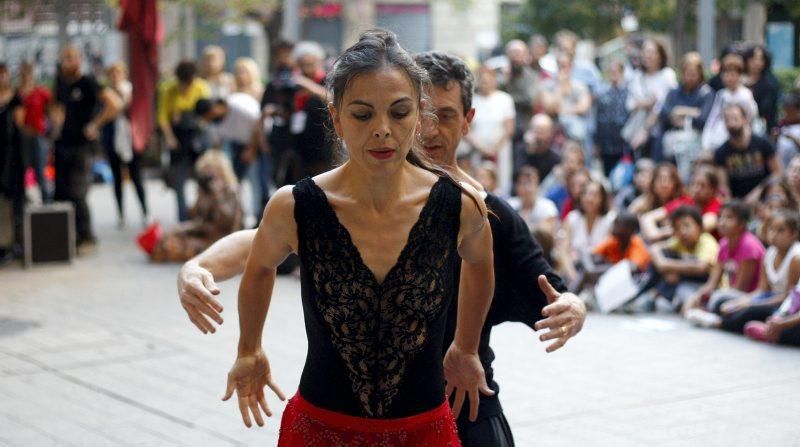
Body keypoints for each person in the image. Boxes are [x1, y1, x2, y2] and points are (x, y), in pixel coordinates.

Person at [179, 46, 587, 445]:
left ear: (455, 120)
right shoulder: (306, 204)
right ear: (337, 119)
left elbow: (535, 279)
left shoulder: (472, 208)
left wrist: (471, 345)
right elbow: (261, 247)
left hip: (451, 408)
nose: (384, 128)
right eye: (363, 113)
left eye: (402, 111)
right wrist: (201, 272)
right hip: (325, 424)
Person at [51, 46, 122, 250]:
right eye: (64, 58)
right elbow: (58, 109)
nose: (67, 62)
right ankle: (68, 235)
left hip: (83, 146)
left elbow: (114, 103)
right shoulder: (61, 83)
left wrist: (95, 125)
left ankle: (87, 235)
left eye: (71, 58)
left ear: (79, 60)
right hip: (63, 143)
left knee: (77, 191)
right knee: (62, 192)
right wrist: (55, 128)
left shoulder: (89, 82)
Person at [709, 210, 800, 334]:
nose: (774, 235)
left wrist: (750, 305)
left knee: (750, 311)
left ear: (794, 234)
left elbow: (788, 297)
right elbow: (761, 289)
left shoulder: (795, 257)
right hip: (769, 297)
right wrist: (742, 302)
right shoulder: (769, 254)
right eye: (771, 230)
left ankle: (721, 323)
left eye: (781, 231)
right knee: (723, 303)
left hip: (784, 304)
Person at [148, 150, 242, 262]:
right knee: (166, 240)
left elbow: (227, 221)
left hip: (221, 239)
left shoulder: (231, 191)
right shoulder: (205, 191)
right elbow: (197, 218)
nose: (209, 178)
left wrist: (218, 196)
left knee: (175, 247)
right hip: (203, 234)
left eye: (213, 174)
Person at [683, 200, 766, 324]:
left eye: (729, 218)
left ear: (742, 223)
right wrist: (696, 297)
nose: (722, 222)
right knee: (695, 295)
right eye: (720, 217)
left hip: (750, 297)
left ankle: (713, 316)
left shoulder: (749, 245)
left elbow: (741, 288)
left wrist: (714, 298)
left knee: (719, 300)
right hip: (731, 294)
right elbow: (712, 283)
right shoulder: (723, 244)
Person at [158, 60, 210, 221]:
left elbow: (207, 113)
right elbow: (162, 117)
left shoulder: (201, 87)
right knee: (179, 182)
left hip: (196, 139)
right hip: (178, 140)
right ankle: (183, 217)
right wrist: (170, 138)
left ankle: (202, 214)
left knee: (203, 179)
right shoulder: (169, 90)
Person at [101, 62, 149, 228]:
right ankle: (121, 215)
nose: (115, 77)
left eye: (118, 73)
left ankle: (145, 212)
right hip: (113, 139)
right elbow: (105, 114)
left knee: (136, 177)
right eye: (112, 74)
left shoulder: (130, 90)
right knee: (117, 179)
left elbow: (132, 110)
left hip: (131, 138)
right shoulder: (106, 93)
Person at [645, 205, 720, 310]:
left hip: (708, 286)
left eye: (687, 226)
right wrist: (664, 266)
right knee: (665, 256)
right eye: (678, 228)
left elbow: (702, 267)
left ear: (699, 226)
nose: (683, 231)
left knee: (683, 289)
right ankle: (648, 292)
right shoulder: (679, 241)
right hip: (687, 283)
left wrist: (666, 266)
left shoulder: (707, 242)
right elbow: (655, 248)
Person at [713, 103, 781, 201]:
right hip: (738, 203)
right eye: (727, 120)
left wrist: (760, 191)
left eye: (735, 119)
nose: (731, 124)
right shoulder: (721, 152)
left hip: (765, 198)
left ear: (745, 119)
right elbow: (723, 185)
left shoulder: (763, 143)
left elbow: (777, 173)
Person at [465, 65, 515, 196]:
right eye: (482, 80)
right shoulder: (472, 101)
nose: (485, 83)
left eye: (488, 80)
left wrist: (494, 148)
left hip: (500, 150)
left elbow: (509, 127)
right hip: (477, 150)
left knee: (501, 183)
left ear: (494, 80)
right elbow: (465, 127)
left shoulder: (504, 99)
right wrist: (482, 148)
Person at [624, 39, 677, 158]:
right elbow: (629, 105)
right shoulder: (637, 76)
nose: (648, 56)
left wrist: (645, 130)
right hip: (636, 130)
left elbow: (662, 105)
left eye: (652, 52)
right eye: (645, 52)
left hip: (660, 131)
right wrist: (647, 103)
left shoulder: (667, 75)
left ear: (660, 55)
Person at [640, 165, 721, 242]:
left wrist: (673, 230)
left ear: (713, 189)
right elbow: (647, 218)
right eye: (693, 184)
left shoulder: (716, 205)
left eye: (702, 185)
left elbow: (703, 226)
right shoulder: (685, 201)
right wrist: (658, 234)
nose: (696, 189)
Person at [559, 180, 617, 287]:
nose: (589, 198)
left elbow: (611, 252)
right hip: (575, 269)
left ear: (602, 198)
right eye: (585, 194)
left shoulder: (610, 219)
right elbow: (564, 251)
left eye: (594, 194)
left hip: (600, 270)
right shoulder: (572, 218)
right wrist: (572, 274)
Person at [658, 52, 715, 160]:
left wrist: (682, 111)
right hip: (672, 146)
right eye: (687, 73)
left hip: (696, 145)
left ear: (700, 74)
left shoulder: (706, 93)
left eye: (693, 74)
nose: (689, 77)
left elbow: (703, 119)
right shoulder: (673, 93)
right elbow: (664, 113)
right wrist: (693, 112)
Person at [701, 54, 759, 153]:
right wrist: (706, 138)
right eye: (726, 74)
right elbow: (713, 118)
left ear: (740, 75)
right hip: (719, 135)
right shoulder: (721, 94)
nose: (729, 78)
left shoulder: (745, 95)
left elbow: (751, 119)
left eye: (732, 74)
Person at [16, 60, 52, 202]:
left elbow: (52, 110)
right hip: (21, 137)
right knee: (21, 172)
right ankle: (22, 205)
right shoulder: (17, 94)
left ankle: (47, 204)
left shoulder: (41, 92)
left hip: (38, 136)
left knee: (40, 172)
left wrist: (49, 128)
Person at [0, 62, 24, 264]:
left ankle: (8, 244)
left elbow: (20, 127)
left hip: (10, 158)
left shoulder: (15, 99)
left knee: (9, 201)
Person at [594, 60, 629, 176]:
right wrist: (597, 143)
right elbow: (598, 118)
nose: (613, 74)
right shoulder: (603, 92)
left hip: (622, 143)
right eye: (611, 72)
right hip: (605, 143)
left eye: (616, 72)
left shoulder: (627, 92)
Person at [501, 39, 539, 136]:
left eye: (518, 53)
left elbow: (530, 100)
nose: (515, 57)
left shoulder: (531, 76)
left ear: (525, 55)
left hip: (523, 126)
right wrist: (505, 80)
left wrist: (507, 100)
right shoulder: (500, 75)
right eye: (512, 53)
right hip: (502, 128)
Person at [507, 165, 558, 237]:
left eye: (530, 183)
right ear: (516, 187)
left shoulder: (547, 206)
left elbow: (545, 234)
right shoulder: (509, 205)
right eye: (522, 183)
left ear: (537, 186)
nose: (526, 188)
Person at [743, 44, 780, 134]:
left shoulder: (769, 84)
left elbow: (770, 113)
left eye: (761, 59)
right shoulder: (738, 81)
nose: (756, 63)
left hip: (761, 129)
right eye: (753, 58)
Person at [515, 113, 561, 181]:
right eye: (536, 131)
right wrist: (529, 152)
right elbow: (516, 177)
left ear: (550, 134)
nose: (538, 136)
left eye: (542, 132)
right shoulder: (520, 150)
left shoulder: (555, 158)